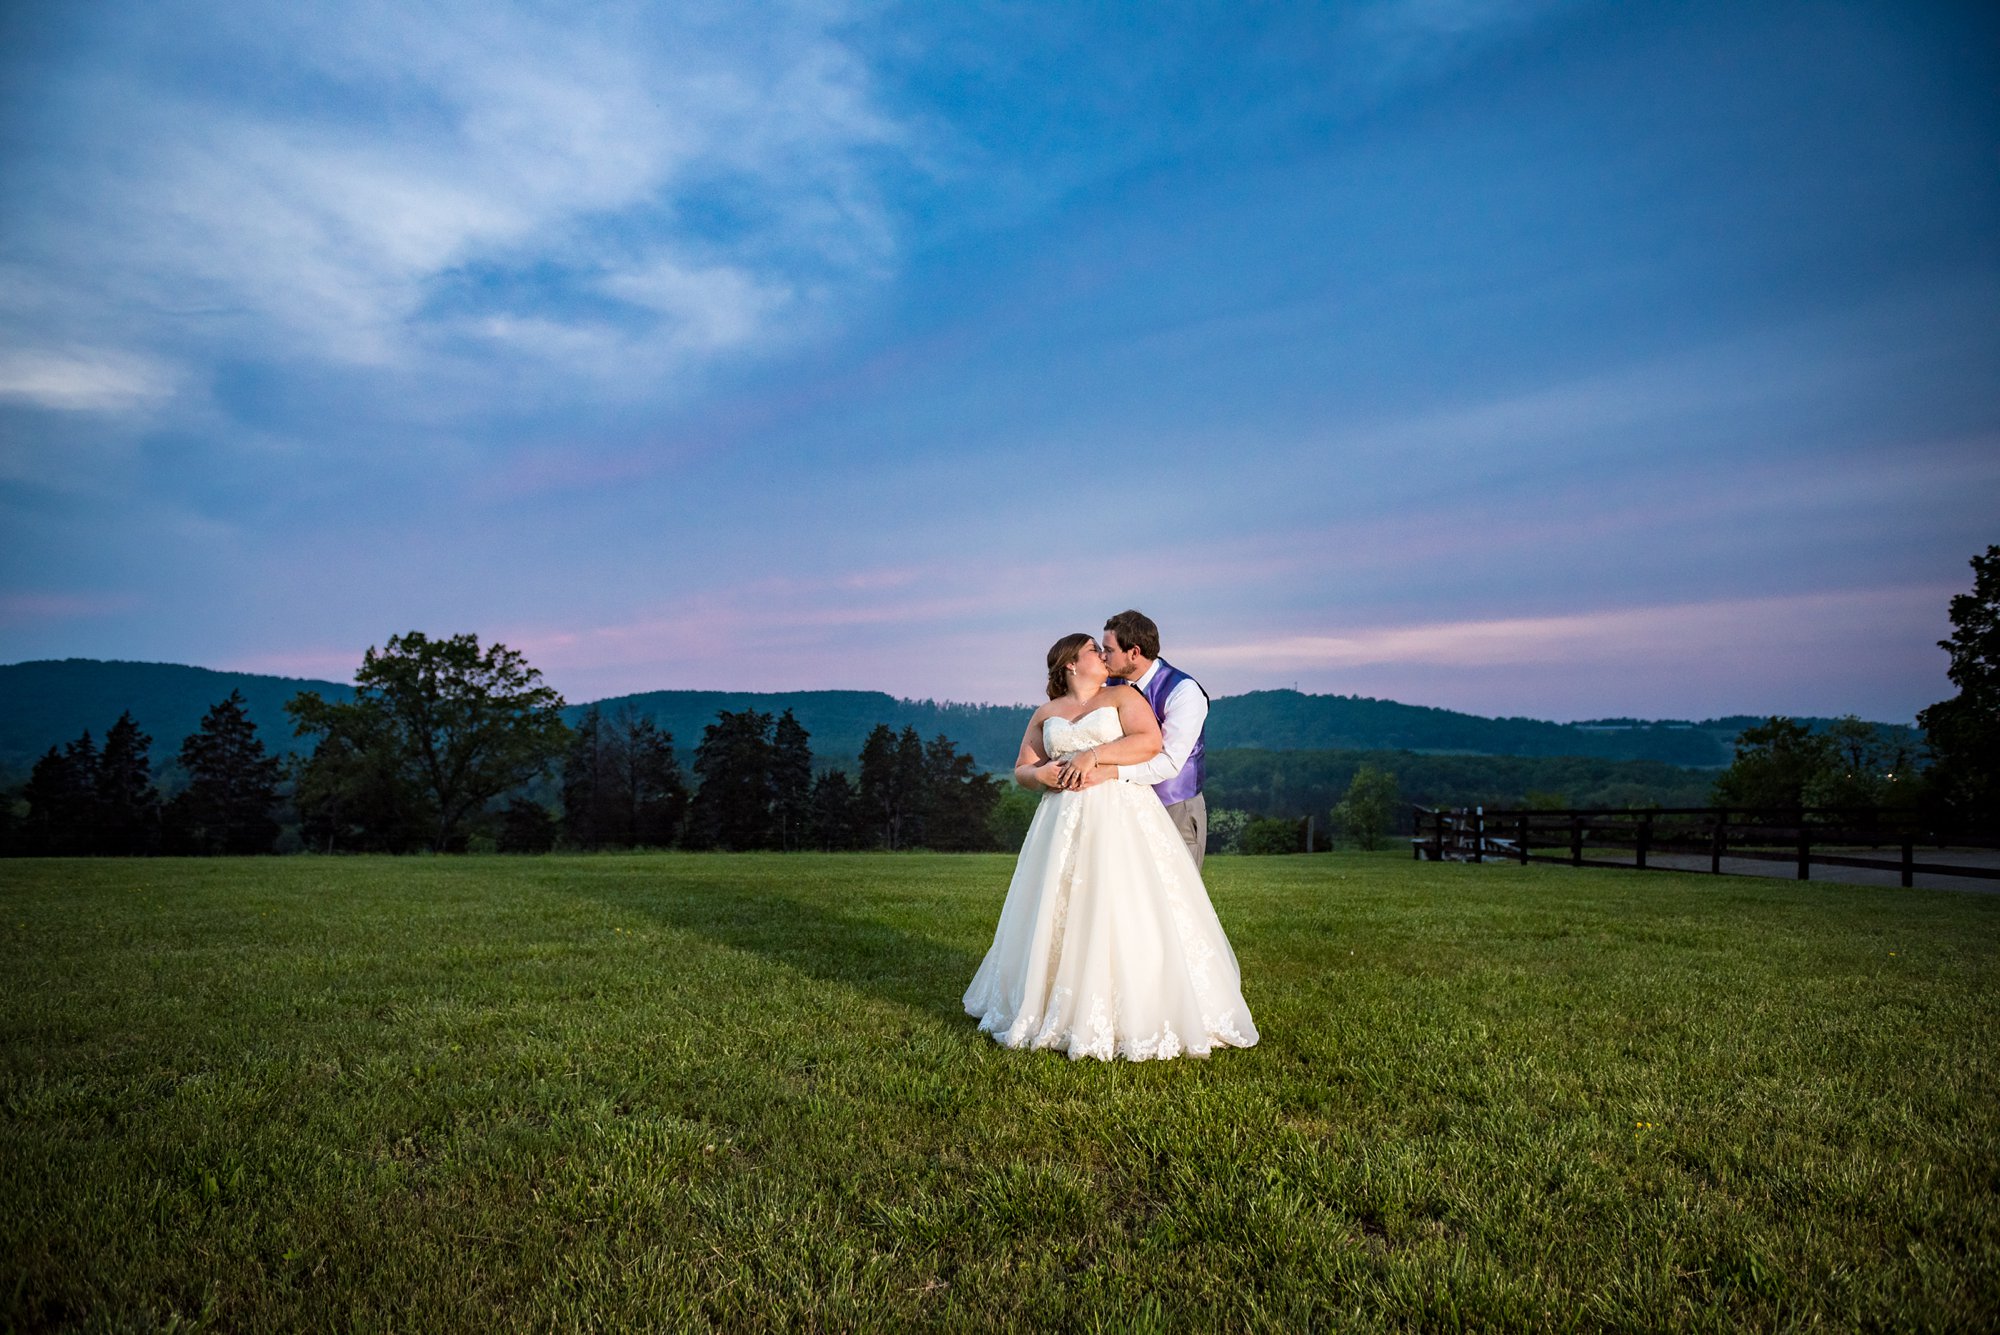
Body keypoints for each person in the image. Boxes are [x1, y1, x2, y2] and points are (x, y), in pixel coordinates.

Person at [962, 633, 1258, 1061]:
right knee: (1059, 905)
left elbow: (1149, 743)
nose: (1103, 656)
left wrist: (1094, 756)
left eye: (1104, 650)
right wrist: (1039, 777)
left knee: (1122, 901)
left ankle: (1141, 1006)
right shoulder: (1047, 713)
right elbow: (1023, 768)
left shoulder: (1123, 697)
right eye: (1092, 651)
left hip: (1119, 812)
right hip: (1060, 820)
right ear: (1069, 664)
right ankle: (1049, 1001)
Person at [1060, 609, 1210, 869]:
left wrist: (1108, 771)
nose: (1102, 656)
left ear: (1134, 653)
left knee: (1176, 898)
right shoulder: (1110, 686)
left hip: (1173, 806)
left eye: (1108, 649)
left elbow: (1169, 764)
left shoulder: (1184, 692)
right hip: (1121, 807)